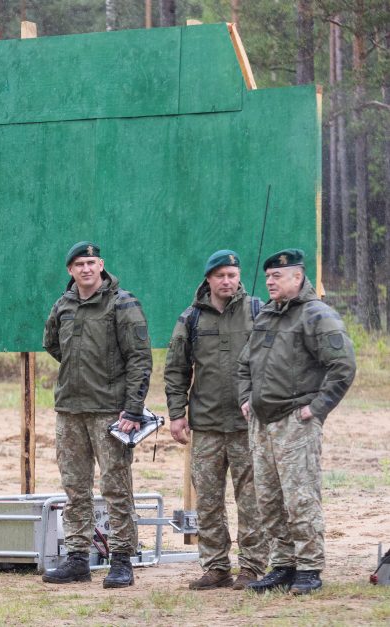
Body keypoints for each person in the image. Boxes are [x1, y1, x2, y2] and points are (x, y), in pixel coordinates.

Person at [237, 248, 356, 595]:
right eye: (269, 276)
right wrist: (246, 397)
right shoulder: (266, 316)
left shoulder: (317, 315)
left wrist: (317, 408)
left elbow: (343, 366)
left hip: (295, 420)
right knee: (269, 498)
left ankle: (309, 567)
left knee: (300, 497)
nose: (270, 281)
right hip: (262, 421)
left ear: (298, 276)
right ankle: (283, 564)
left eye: (278, 276)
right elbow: (245, 363)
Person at [41, 241, 153, 588]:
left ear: (101, 265)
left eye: (91, 262)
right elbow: (52, 343)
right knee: (75, 489)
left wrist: (132, 409)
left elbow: (139, 358)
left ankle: (121, 559)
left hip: (110, 413)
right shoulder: (63, 304)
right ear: (70, 271)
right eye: (78, 264)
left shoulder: (123, 303)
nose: (85, 269)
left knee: (116, 487)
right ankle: (77, 558)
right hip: (70, 410)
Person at [164, 249, 268, 591]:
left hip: (247, 426)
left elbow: (275, 360)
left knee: (251, 500)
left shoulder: (257, 311)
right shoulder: (191, 318)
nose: (228, 281)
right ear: (208, 279)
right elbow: (176, 369)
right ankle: (216, 567)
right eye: (221, 275)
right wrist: (177, 415)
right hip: (206, 425)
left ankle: (252, 567)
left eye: (233, 275)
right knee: (207, 501)